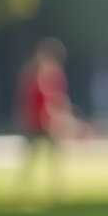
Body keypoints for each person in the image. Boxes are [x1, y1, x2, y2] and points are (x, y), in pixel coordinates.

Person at [17, 37, 71, 202]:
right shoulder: (32, 75)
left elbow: (58, 99)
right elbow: (28, 101)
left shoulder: (55, 75)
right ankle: (23, 192)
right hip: (35, 123)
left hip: (49, 123)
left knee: (53, 157)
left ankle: (56, 191)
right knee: (31, 158)